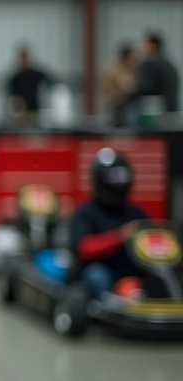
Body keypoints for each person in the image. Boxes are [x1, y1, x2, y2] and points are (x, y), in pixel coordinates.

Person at [69, 148, 149, 300]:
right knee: (96, 275)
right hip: (104, 272)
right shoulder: (85, 214)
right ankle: (108, 306)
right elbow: (84, 248)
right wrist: (120, 237)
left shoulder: (137, 214)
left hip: (133, 273)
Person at [121, 32, 180, 116]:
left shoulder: (149, 65)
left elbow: (145, 87)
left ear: (153, 46)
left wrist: (128, 95)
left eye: (145, 44)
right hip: (171, 111)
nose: (142, 48)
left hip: (154, 114)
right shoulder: (169, 65)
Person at [7, 45, 52, 118]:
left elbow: (51, 83)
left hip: (36, 111)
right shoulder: (15, 78)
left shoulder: (38, 75)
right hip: (20, 113)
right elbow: (11, 96)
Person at [101, 44, 138, 124]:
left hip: (119, 104)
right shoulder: (118, 69)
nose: (135, 60)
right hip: (117, 105)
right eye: (132, 58)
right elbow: (128, 87)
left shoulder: (123, 68)